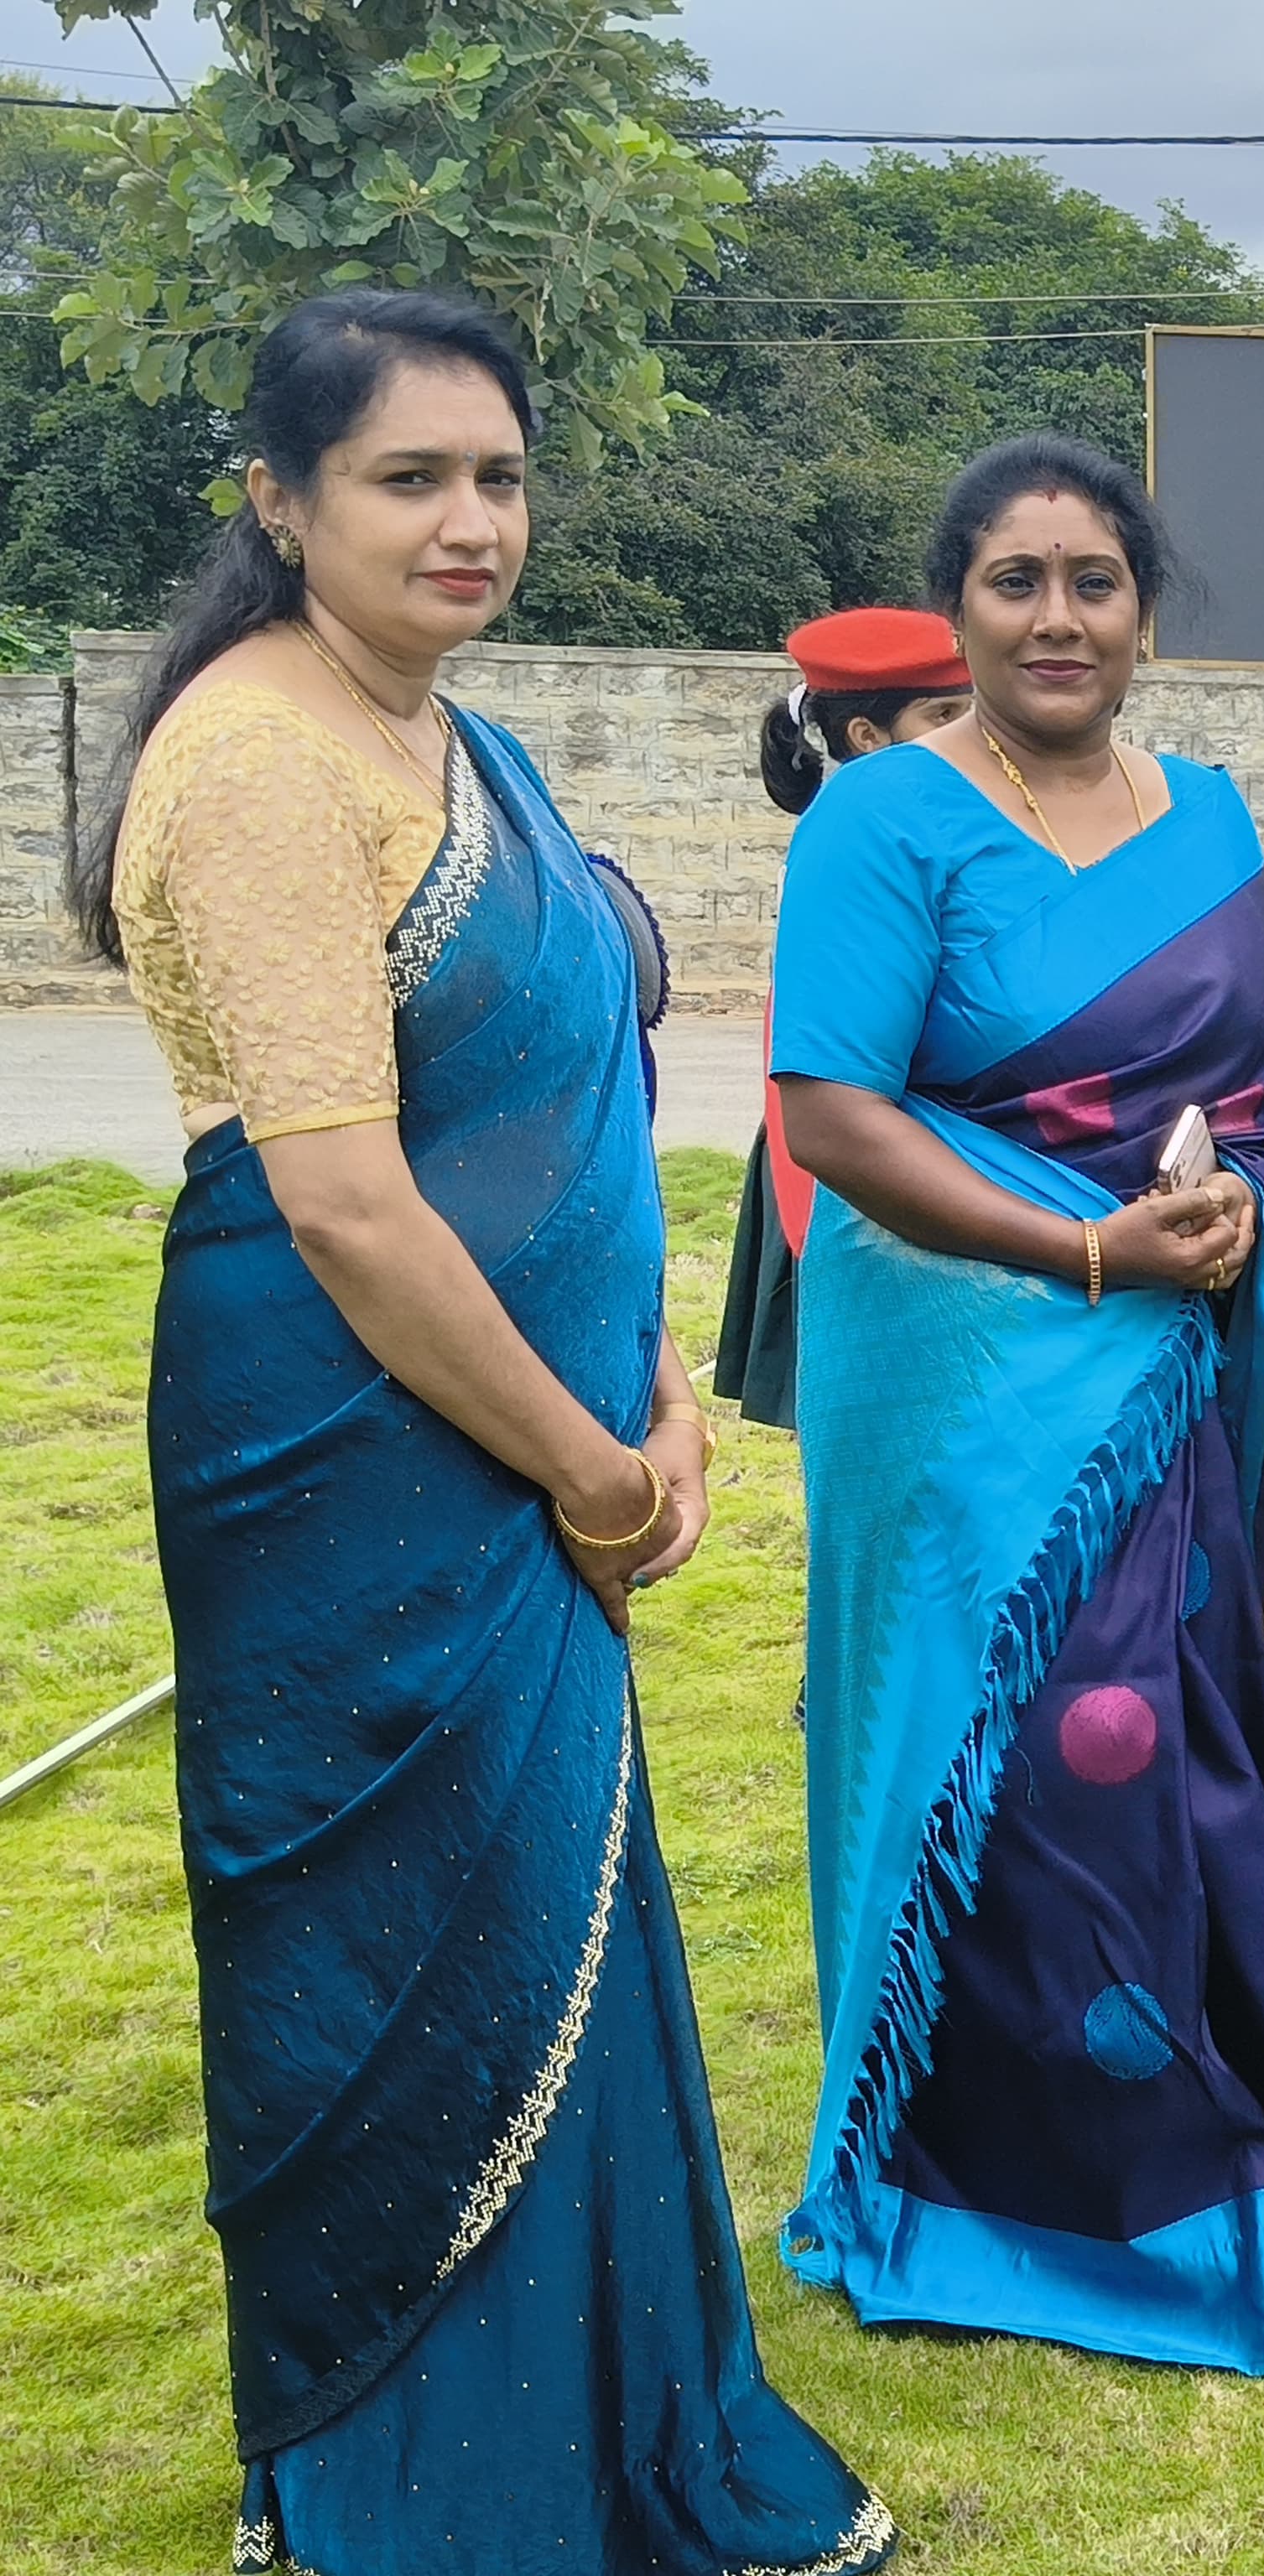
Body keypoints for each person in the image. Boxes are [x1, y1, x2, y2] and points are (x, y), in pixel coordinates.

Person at [77, 289, 892, 2573]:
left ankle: (602, 2422)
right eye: (409, 477)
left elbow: (564, 1113)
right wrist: (586, 1461)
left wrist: (654, 1392)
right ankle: (411, 2488)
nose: (470, 519)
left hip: (520, 1427)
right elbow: (346, 1199)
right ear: (280, 501)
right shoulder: (262, 760)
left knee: (552, 1902)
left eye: (501, 475)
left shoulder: (450, 734)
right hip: (347, 1449)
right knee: (397, 1941)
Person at [770, 435, 1264, 2370]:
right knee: (1022, 1763)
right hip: (971, 1386)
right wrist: (1088, 1251)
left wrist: (1241, 1199)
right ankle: (1019, 2187)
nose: (1057, 616)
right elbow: (832, 1112)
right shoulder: (887, 821)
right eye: (1013, 581)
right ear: (957, 609)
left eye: (1092, 580)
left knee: (1183, 1748)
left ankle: (1242, 2145)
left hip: (1170, 1371)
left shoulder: (1211, 817)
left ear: (1143, 611)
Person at [711, 606, 972, 1431]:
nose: (972, 733)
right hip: (856, 1164)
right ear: (866, 735)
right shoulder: (854, 841)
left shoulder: (931, 821)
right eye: (944, 714)